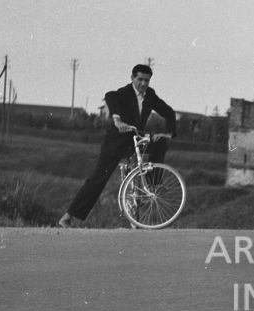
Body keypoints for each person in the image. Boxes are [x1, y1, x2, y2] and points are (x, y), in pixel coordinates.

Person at [58, 64, 176, 227]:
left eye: (146, 81)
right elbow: (110, 96)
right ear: (132, 78)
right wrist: (117, 119)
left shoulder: (150, 95)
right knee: (99, 178)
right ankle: (68, 216)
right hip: (117, 142)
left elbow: (168, 112)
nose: (143, 84)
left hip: (136, 138)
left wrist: (168, 133)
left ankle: (153, 185)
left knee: (160, 142)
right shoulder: (124, 93)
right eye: (140, 79)